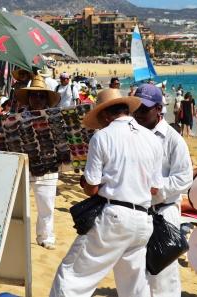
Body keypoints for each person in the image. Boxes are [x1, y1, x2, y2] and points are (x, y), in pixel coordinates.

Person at [50, 88, 163, 297]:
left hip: (114, 217)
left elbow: (91, 187)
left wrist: (92, 183)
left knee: (72, 277)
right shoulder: (152, 139)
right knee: (134, 285)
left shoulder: (102, 137)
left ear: (104, 114)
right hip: (142, 219)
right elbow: (154, 188)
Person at [133, 84, 193, 297]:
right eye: (136, 108)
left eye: (144, 109)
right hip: (137, 210)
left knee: (165, 272)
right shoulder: (133, 133)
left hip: (164, 211)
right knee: (138, 266)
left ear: (159, 109)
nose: (138, 113)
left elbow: (185, 177)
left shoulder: (173, 139)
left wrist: (157, 189)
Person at [15, 75, 61, 249]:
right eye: (34, 95)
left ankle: (45, 237)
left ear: (47, 99)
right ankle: (16, 236)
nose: (37, 99)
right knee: (18, 205)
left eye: (41, 95)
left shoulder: (54, 117)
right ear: (28, 98)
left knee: (47, 205)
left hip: (48, 167)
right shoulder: (18, 117)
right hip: (24, 166)